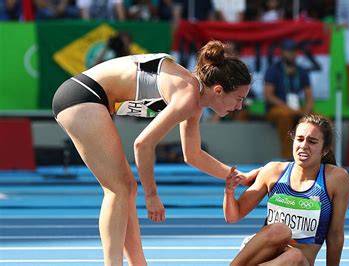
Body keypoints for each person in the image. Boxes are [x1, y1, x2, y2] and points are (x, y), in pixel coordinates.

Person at [51, 40, 259, 266]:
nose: (239, 107)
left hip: (86, 98)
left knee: (125, 188)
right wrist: (151, 196)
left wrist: (239, 177)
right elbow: (143, 144)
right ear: (218, 90)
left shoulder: (194, 99)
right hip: (83, 97)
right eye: (239, 98)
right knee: (119, 189)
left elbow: (193, 155)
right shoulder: (187, 94)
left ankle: (138, 263)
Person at [223, 113, 349, 266]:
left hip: (299, 262)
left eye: (312, 141)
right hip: (264, 254)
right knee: (279, 230)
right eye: (299, 139)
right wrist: (229, 192)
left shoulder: (336, 179)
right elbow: (233, 216)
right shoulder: (273, 171)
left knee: (294, 256)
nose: (303, 145)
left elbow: (335, 235)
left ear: (324, 150)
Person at [264, 39, 314, 160]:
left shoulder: (301, 71)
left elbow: (309, 96)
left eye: (293, 51)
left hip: (297, 108)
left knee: (320, 120)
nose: (291, 54)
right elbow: (268, 95)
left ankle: (320, 158)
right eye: (288, 51)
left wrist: (306, 112)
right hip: (278, 109)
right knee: (285, 116)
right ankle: (288, 157)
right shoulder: (273, 70)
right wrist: (288, 108)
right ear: (282, 53)